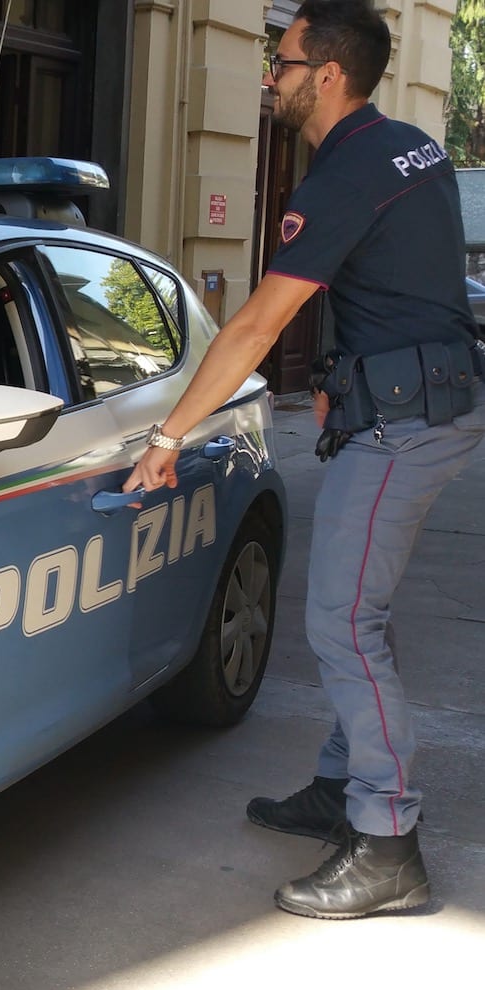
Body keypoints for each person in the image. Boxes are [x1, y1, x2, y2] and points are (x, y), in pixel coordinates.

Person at [124, 0, 485, 920]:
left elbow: (254, 324)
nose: (269, 77)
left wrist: (169, 436)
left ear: (328, 74)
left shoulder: (342, 175)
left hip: (402, 422)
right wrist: (334, 370)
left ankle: (388, 840)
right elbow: (402, 280)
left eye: (280, 63)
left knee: (339, 624)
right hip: (424, 399)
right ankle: (340, 782)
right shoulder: (409, 146)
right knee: (355, 608)